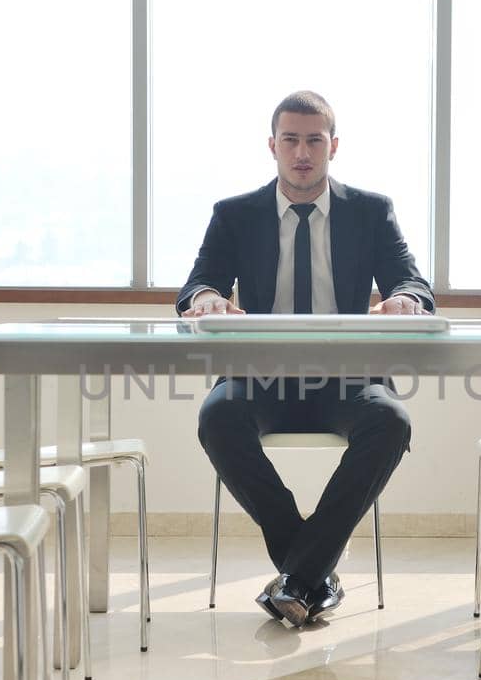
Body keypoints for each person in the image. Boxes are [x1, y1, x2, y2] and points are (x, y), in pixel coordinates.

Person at [177, 90, 435, 628]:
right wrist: (204, 299)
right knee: (217, 416)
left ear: (333, 146)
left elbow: (411, 280)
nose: (302, 152)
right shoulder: (235, 215)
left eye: (314, 140)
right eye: (290, 140)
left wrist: (406, 299)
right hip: (261, 377)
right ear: (272, 146)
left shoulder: (370, 211)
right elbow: (198, 283)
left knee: (391, 420)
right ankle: (310, 574)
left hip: (346, 377)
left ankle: (299, 576)